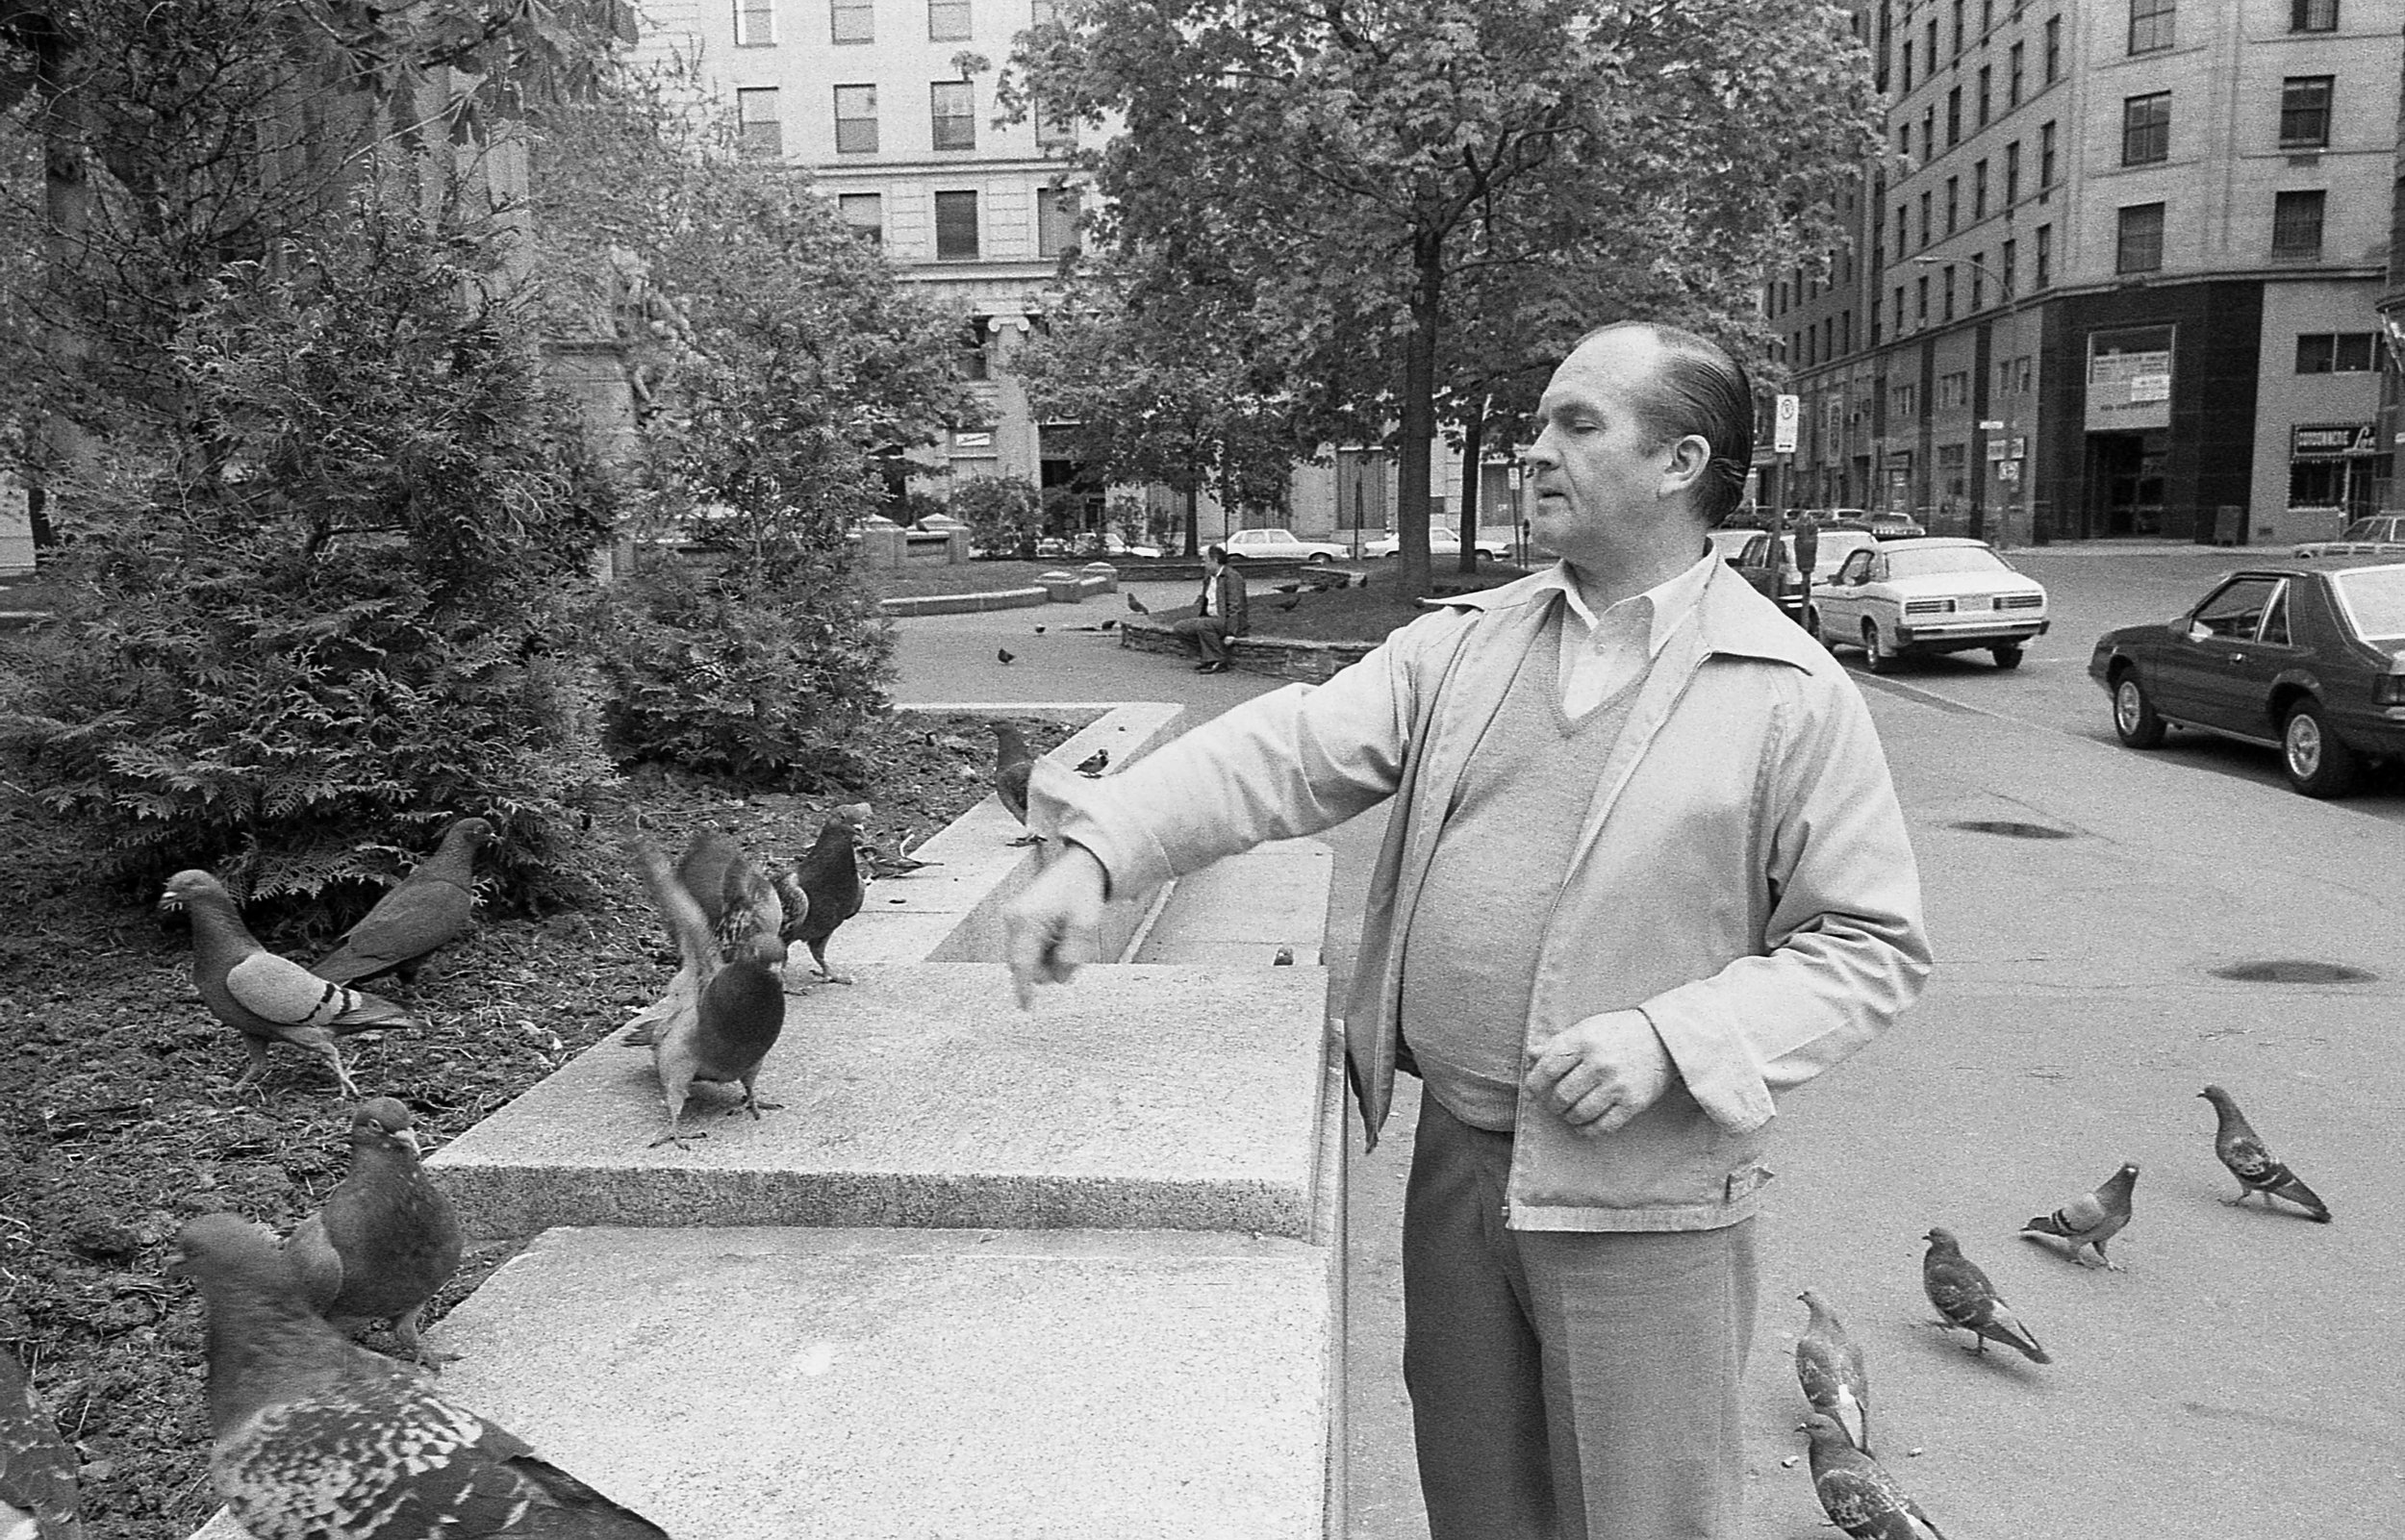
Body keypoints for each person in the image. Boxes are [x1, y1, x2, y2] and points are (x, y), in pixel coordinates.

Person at [1003, 321, 1929, 1540]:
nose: (1532, 453)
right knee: (1477, 1505)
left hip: (1644, 1205)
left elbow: (1870, 946)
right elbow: (1286, 747)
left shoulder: (1787, 690)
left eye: (1576, 425)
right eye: (1539, 422)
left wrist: (1673, 1036)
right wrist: (1103, 847)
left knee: (1639, 1518)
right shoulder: (1463, 644)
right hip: (1455, 1164)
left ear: (1680, 461)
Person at [1169, 543, 1248, 672]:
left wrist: (1231, 633)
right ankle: (1206, 657)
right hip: (1211, 619)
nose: (1203, 564)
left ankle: (1219, 661)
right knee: (1181, 627)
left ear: (1215, 560)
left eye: (1205, 561)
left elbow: (1236, 606)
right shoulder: (1209, 578)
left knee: (1204, 625)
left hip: (1227, 621)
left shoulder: (1232, 577)